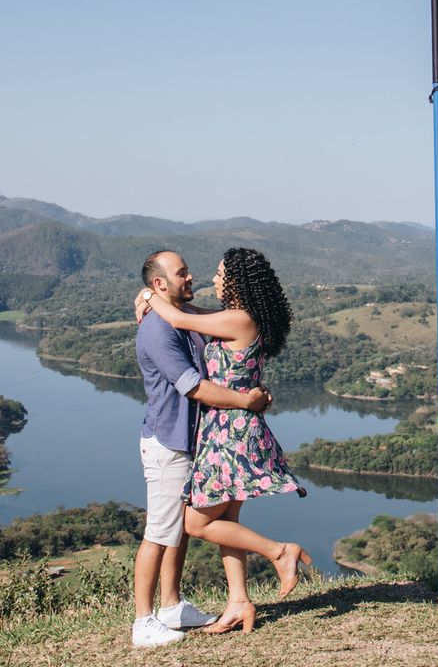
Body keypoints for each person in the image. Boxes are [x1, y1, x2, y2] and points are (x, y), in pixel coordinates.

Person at [135, 247, 310, 634]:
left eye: (219, 274)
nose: (210, 279)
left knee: (196, 523)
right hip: (231, 427)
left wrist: (149, 295)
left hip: (229, 430)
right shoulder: (240, 317)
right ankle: (238, 603)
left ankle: (279, 552)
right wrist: (152, 292)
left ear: (236, 282)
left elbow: (180, 316)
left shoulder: (237, 319)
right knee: (227, 520)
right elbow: (189, 315)